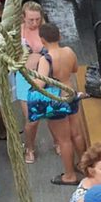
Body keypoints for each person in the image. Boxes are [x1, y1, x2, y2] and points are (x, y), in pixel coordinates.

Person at [30, 23, 87, 186]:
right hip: (71, 94)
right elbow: (75, 69)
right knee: (76, 133)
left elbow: (40, 84)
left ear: (42, 40)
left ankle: (69, 175)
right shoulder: (69, 51)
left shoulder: (45, 59)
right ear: (59, 36)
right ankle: (84, 165)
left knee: (64, 140)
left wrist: (30, 76)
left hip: (56, 100)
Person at [17, 1, 50, 164]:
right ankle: (29, 147)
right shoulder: (17, 33)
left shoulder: (46, 30)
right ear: (23, 18)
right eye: (31, 20)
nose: (35, 23)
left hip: (46, 76)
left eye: (38, 19)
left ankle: (58, 141)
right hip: (25, 77)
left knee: (54, 114)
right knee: (32, 118)